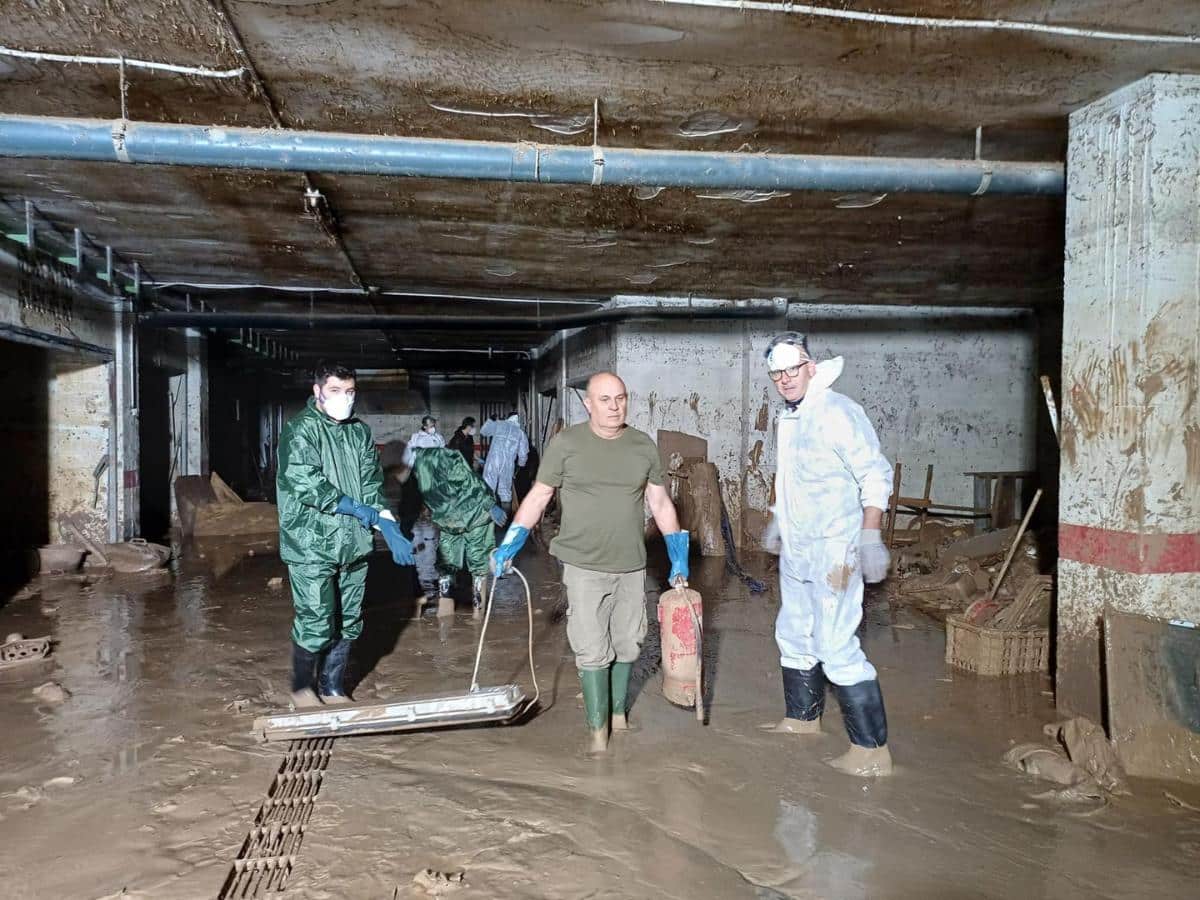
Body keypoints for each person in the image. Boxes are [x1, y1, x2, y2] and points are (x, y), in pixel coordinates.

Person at [490, 372, 690, 754]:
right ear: (588, 404)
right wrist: (511, 543)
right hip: (583, 565)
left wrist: (677, 556)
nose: (614, 407)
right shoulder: (567, 444)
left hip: (631, 563)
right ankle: (598, 733)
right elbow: (539, 495)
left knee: (630, 642)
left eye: (620, 398)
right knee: (591, 645)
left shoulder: (642, 446)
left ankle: (618, 715)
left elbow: (661, 503)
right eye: (605, 399)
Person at [758, 332, 895, 777]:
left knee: (836, 642)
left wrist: (870, 534)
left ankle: (871, 751)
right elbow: (791, 477)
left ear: (811, 367)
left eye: (791, 370)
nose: (784, 379)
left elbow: (875, 476)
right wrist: (780, 517)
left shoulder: (838, 412)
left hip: (836, 546)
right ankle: (802, 719)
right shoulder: (791, 417)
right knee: (794, 632)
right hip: (799, 546)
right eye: (777, 373)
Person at [277, 361, 415, 708]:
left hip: (353, 542)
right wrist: (355, 509)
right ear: (318, 391)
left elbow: (371, 483)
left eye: (350, 392)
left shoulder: (359, 433)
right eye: (336, 391)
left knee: (351, 620)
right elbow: (306, 481)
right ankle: (302, 690)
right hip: (311, 541)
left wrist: (387, 522)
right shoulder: (301, 430)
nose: (344, 398)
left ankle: (333, 687)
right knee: (316, 619)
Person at [380, 440, 507, 614]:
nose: (393, 478)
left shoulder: (437, 458)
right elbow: (408, 509)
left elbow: (467, 478)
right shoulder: (409, 479)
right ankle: (445, 616)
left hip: (475, 512)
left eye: (394, 472)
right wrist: (401, 536)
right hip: (448, 520)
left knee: (478, 562)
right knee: (446, 565)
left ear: (402, 464)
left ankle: (478, 616)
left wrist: (489, 504)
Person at [480, 411, 529, 511]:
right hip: (508, 464)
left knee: (488, 487)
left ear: (508, 417)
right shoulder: (520, 433)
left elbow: (484, 432)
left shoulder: (499, 424)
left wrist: (490, 420)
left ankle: (486, 514)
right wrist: (519, 466)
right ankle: (505, 518)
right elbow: (523, 455)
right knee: (505, 491)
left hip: (493, 461)